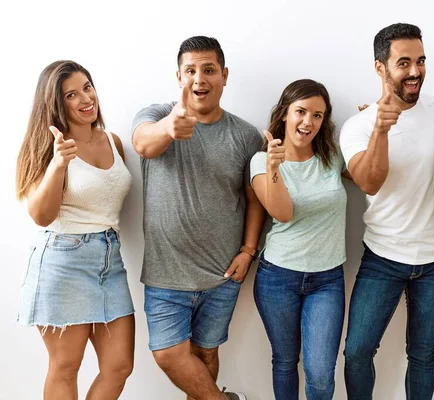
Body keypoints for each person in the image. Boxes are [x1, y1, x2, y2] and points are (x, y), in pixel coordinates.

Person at [131, 36, 264, 400]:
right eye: (190, 70)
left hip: (222, 273)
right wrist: (169, 128)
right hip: (165, 274)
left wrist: (248, 251)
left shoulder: (245, 135)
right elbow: (143, 143)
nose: (199, 79)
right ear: (178, 76)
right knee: (169, 354)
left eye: (208, 70)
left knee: (207, 353)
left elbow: (254, 200)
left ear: (224, 75)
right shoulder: (156, 116)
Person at [339, 23, 434, 400]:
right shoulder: (357, 126)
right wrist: (381, 129)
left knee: (423, 355)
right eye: (403, 62)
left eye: (420, 61)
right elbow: (369, 182)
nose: (415, 71)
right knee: (357, 352)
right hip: (383, 258)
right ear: (380, 67)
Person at [16, 60, 135, 400]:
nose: (86, 98)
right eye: (72, 94)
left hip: (109, 259)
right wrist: (57, 164)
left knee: (119, 365)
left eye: (87, 86)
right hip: (63, 258)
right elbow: (40, 215)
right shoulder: (48, 148)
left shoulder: (113, 141)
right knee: (65, 366)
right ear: (56, 103)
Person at [250, 79, 348, 400]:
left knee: (320, 374)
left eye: (317, 115)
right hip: (278, 277)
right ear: (284, 114)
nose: (308, 122)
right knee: (285, 361)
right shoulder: (260, 161)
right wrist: (275, 167)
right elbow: (282, 212)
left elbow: (371, 176)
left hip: (327, 280)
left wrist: (371, 129)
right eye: (301, 111)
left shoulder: (332, 157)